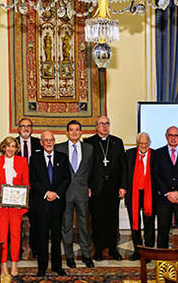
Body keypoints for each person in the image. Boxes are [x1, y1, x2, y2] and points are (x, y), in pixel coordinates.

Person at [29, 131, 71, 277]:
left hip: (57, 203)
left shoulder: (62, 158)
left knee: (56, 236)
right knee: (42, 236)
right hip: (41, 203)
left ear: (54, 141)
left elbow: (67, 179)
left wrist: (55, 193)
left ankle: (57, 267)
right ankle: (42, 267)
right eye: (45, 140)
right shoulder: (34, 158)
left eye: (51, 140)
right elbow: (33, 180)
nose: (48, 142)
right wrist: (47, 193)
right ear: (41, 143)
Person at [86, 115, 127, 260]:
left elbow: (123, 166)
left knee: (112, 219)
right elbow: (86, 168)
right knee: (97, 220)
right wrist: (88, 186)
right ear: (96, 126)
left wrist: (123, 186)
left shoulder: (117, 142)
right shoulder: (89, 142)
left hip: (113, 187)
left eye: (107, 123)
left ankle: (112, 248)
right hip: (96, 188)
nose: (105, 126)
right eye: (102, 124)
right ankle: (98, 249)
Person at [0, 136, 29, 276]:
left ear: (16, 149)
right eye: (8, 146)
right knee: (2, 236)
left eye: (13, 146)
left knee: (16, 235)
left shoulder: (22, 161)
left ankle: (14, 263)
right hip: (1, 205)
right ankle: (3, 264)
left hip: (16, 206)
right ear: (3, 147)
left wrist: (22, 200)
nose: (11, 149)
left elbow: (26, 183)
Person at [56, 120, 94, 268]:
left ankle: (86, 255)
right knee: (66, 226)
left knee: (84, 225)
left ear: (81, 132)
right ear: (67, 132)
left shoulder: (89, 149)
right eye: (71, 130)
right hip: (65, 192)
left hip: (83, 191)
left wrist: (90, 186)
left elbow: (92, 170)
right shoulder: (59, 148)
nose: (74, 132)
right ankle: (69, 256)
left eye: (77, 130)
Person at [152, 126, 178, 249]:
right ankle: (163, 261)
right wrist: (168, 193)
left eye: (176, 135)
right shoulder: (158, 153)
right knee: (162, 231)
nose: (173, 138)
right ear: (166, 137)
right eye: (170, 135)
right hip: (164, 199)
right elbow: (155, 175)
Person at [125, 132, 155, 259]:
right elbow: (125, 173)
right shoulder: (130, 154)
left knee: (149, 223)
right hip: (133, 193)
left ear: (149, 143)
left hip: (150, 194)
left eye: (146, 143)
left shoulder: (155, 155)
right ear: (137, 143)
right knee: (135, 223)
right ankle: (137, 250)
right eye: (141, 143)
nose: (143, 146)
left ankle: (148, 250)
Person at [15, 118, 41, 258]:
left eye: (28, 126)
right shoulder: (12, 143)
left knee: (36, 220)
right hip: (17, 190)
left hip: (35, 189)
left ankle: (36, 249)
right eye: (23, 126)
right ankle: (16, 250)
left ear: (32, 128)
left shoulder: (39, 143)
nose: (26, 128)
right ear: (18, 128)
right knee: (16, 222)